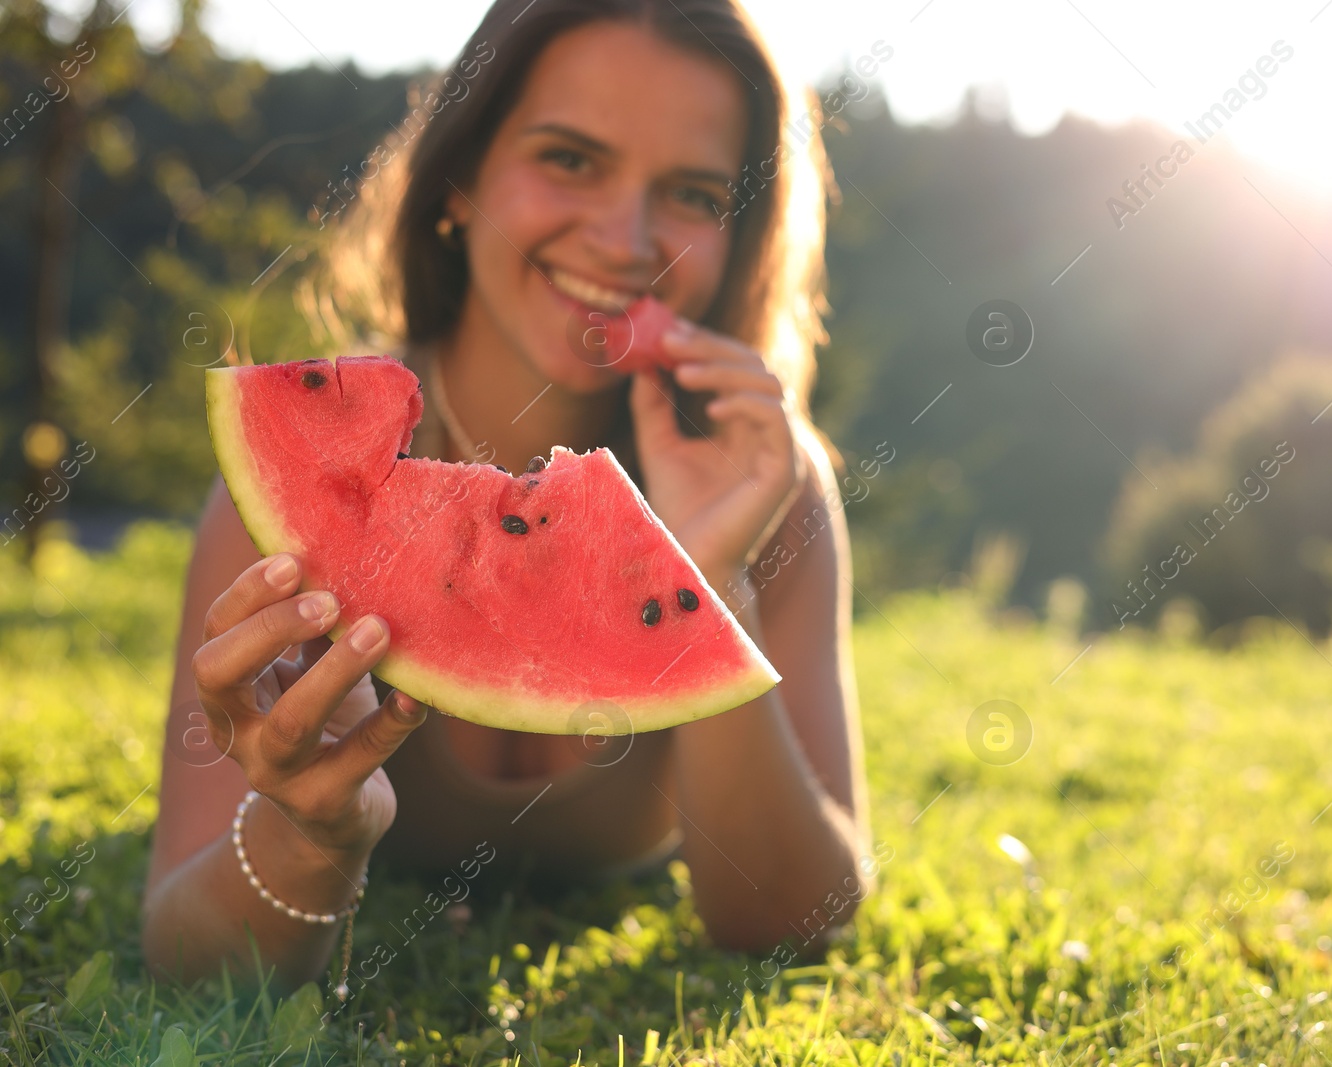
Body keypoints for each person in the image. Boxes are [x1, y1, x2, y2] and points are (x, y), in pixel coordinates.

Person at [140, 0, 870, 996]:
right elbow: (183, 958)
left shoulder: (771, 492)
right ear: (458, 179)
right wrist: (308, 835)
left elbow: (793, 920)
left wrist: (713, 580)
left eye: (694, 193)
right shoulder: (292, 504)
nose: (625, 238)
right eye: (569, 158)